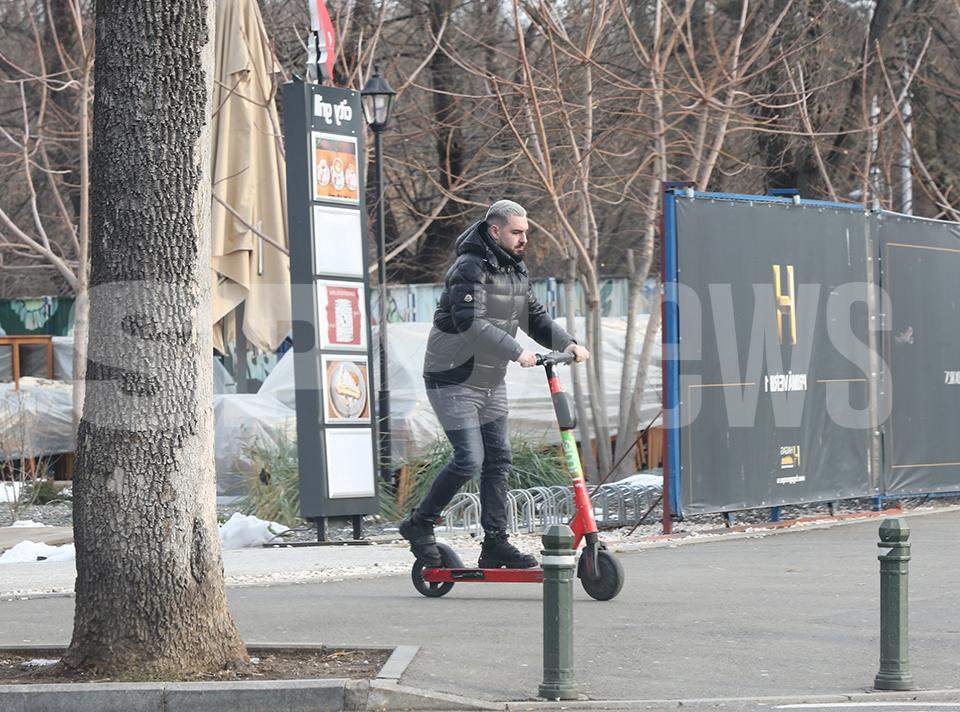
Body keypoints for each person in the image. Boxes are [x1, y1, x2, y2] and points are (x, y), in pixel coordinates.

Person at [399, 200, 589, 568]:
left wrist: (567, 343)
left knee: (498, 461)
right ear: (495, 231)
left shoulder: (516, 270)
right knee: (470, 459)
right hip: (452, 378)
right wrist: (517, 351)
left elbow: (534, 316)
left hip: (489, 379)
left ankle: (496, 544)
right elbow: (471, 322)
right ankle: (419, 524)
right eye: (517, 233)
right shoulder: (468, 268)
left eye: (526, 233)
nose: (524, 240)